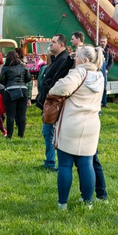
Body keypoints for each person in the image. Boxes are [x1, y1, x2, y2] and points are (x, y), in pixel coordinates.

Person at [49, 45, 105, 210]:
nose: (74, 58)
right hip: (91, 125)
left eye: (77, 56)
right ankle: (88, 202)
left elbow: (58, 89)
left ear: (85, 60)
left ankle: (62, 203)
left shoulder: (78, 73)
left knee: (65, 165)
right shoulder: (100, 76)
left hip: (71, 124)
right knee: (87, 164)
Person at [35, 34, 74, 171]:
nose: (50, 44)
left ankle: (52, 162)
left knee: (49, 132)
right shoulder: (57, 59)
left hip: (55, 103)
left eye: (53, 42)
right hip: (50, 101)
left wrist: (49, 91)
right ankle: (50, 161)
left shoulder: (64, 60)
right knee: (48, 132)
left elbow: (58, 81)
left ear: (61, 45)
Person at [0, 50, 32, 138]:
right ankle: (21, 134)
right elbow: (28, 78)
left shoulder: (5, 67)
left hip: (10, 90)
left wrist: (7, 83)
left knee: (10, 114)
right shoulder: (23, 66)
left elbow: (1, 80)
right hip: (22, 90)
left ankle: (9, 135)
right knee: (22, 114)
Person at [99, 36, 113, 108]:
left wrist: (107, 69)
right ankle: (98, 103)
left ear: (106, 42)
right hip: (97, 71)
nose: (102, 43)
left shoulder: (108, 51)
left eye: (104, 42)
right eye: (101, 41)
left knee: (104, 87)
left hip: (104, 72)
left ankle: (104, 103)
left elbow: (111, 62)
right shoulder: (97, 50)